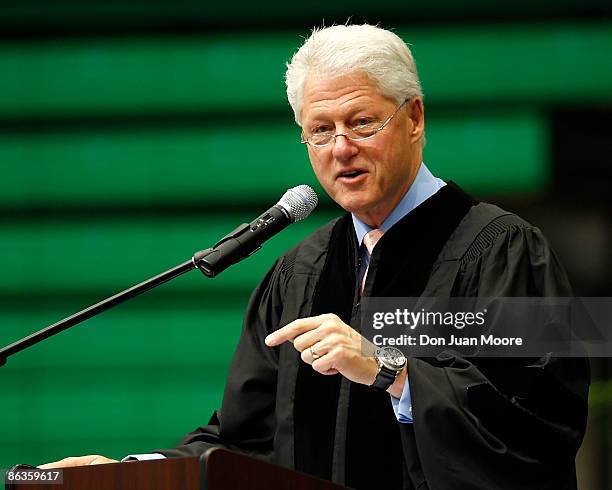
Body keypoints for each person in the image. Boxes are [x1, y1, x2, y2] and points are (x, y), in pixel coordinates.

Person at [40, 24, 589, 489]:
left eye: (361, 122)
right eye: (320, 131)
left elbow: (544, 421)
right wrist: (129, 474)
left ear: (415, 118)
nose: (341, 148)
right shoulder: (299, 271)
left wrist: (389, 371)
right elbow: (243, 440)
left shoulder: (506, 248)